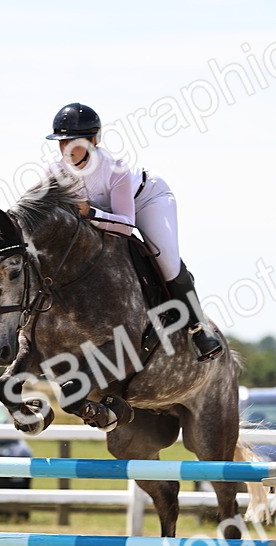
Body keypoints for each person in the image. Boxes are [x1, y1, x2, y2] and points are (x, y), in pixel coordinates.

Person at [45, 101, 223, 362]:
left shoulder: (114, 168)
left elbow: (126, 224)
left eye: (74, 141)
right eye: (61, 142)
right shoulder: (54, 171)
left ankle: (198, 329)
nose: (66, 148)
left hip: (147, 201)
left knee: (165, 258)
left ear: (94, 140)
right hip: (104, 212)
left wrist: (91, 213)